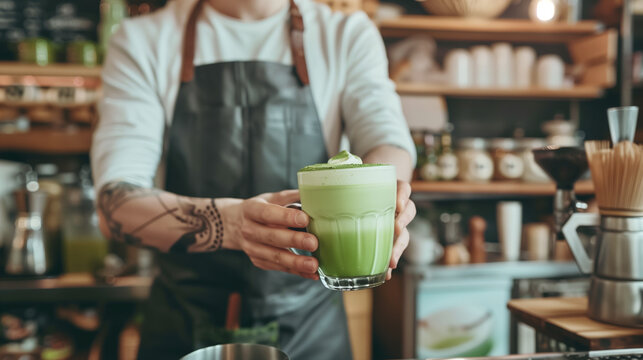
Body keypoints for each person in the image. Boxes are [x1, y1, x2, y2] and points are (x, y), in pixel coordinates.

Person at [91, 0, 416, 358]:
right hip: (185, 326)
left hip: (311, 326)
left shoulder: (345, 34)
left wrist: (384, 200)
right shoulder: (143, 40)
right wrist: (229, 225)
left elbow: (387, 142)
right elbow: (114, 205)